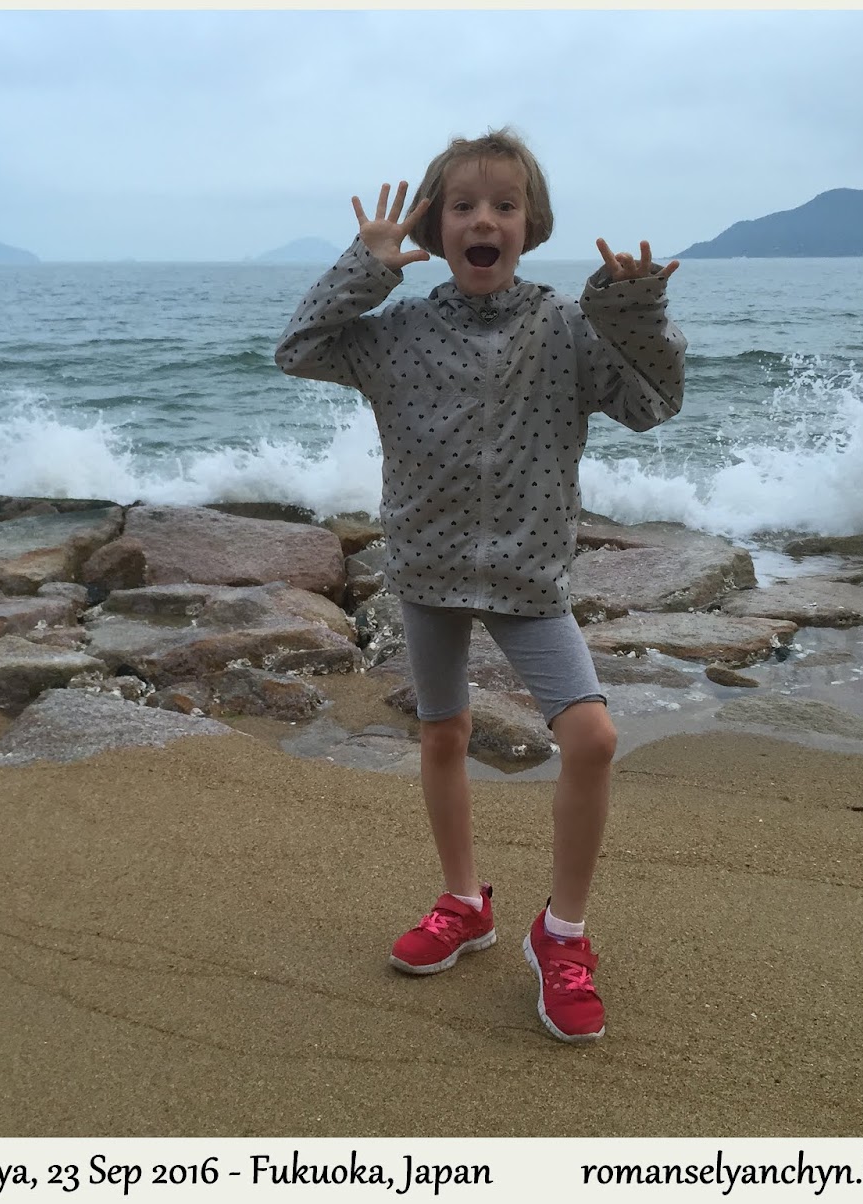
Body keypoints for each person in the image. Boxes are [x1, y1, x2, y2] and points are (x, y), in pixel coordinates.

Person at [275, 128, 685, 1043]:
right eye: (462, 206)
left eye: (503, 205)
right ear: (435, 226)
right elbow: (298, 348)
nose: (483, 220)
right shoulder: (397, 333)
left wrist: (633, 314)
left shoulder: (568, 329)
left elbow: (653, 404)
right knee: (442, 734)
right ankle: (464, 903)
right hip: (426, 568)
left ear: (532, 225)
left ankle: (562, 934)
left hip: (530, 577)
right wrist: (366, 266)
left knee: (591, 738)